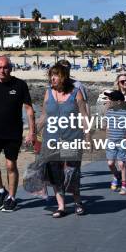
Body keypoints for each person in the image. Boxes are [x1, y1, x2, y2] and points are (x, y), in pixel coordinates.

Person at [0, 56, 36, 212]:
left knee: (10, 165)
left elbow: (29, 109)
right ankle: (0, 190)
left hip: (13, 132)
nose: (2, 71)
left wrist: (32, 131)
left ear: (11, 68)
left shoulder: (20, 85)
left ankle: (11, 197)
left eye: (5, 67)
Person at [37, 63, 89, 217]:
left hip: (71, 139)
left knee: (72, 172)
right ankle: (61, 206)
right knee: (55, 173)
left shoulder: (76, 93)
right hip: (51, 140)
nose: (52, 78)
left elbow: (84, 115)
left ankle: (78, 201)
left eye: (56, 75)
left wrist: (88, 135)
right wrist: (33, 132)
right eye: (51, 75)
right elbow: (44, 115)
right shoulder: (48, 93)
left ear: (63, 77)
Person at [103, 90, 126, 195]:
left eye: (111, 99)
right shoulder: (109, 112)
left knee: (121, 164)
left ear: (118, 102)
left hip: (121, 141)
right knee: (110, 163)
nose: (109, 101)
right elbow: (105, 127)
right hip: (111, 141)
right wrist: (106, 138)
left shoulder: (125, 113)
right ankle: (116, 175)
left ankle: (124, 186)